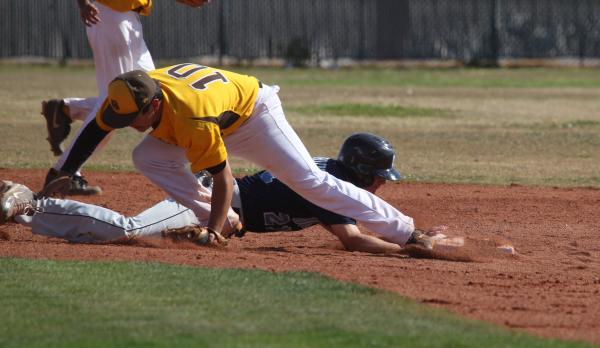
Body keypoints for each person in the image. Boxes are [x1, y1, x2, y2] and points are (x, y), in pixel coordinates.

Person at [40, 64, 417, 247]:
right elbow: (95, 129)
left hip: (254, 116)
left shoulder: (192, 116)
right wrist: (65, 171)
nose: (127, 123)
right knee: (146, 156)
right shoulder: (125, 94)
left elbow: (223, 176)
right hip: (215, 119)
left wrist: (215, 231)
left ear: (153, 105)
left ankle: (406, 232)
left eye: (134, 117)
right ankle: (210, 209)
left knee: (309, 181)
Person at [1, 133, 435, 252]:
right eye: (380, 177)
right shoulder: (325, 189)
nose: (381, 184)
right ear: (360, 171)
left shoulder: (325, 175)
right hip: (209, 204)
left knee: (143, 234)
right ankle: (30, 203)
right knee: (129, 230)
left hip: (218, 205)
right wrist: (411, 249)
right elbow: (353, 239)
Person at [41, 0, 210, 195]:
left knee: (149, 94)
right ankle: (63, 174)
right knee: (114, 104)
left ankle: (66, 110)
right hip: (108, 14)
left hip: (129, 18)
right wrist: (83, 3)